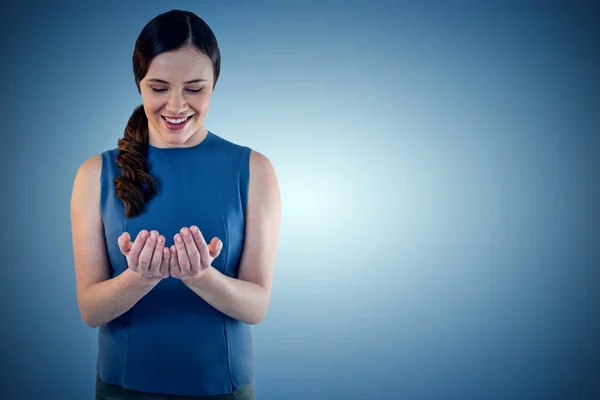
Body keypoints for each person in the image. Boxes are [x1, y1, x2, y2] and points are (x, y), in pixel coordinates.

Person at [70, 9, 281, 400]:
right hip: (123, 388)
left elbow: (256, 306)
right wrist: (141, 278)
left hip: (224, 388)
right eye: (159, 87)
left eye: (195, 88)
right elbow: (90, 309)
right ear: (139, 84)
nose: (176, 105)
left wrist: (201, 276)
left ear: (215, 83)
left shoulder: (255, 170)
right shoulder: (93, 175)